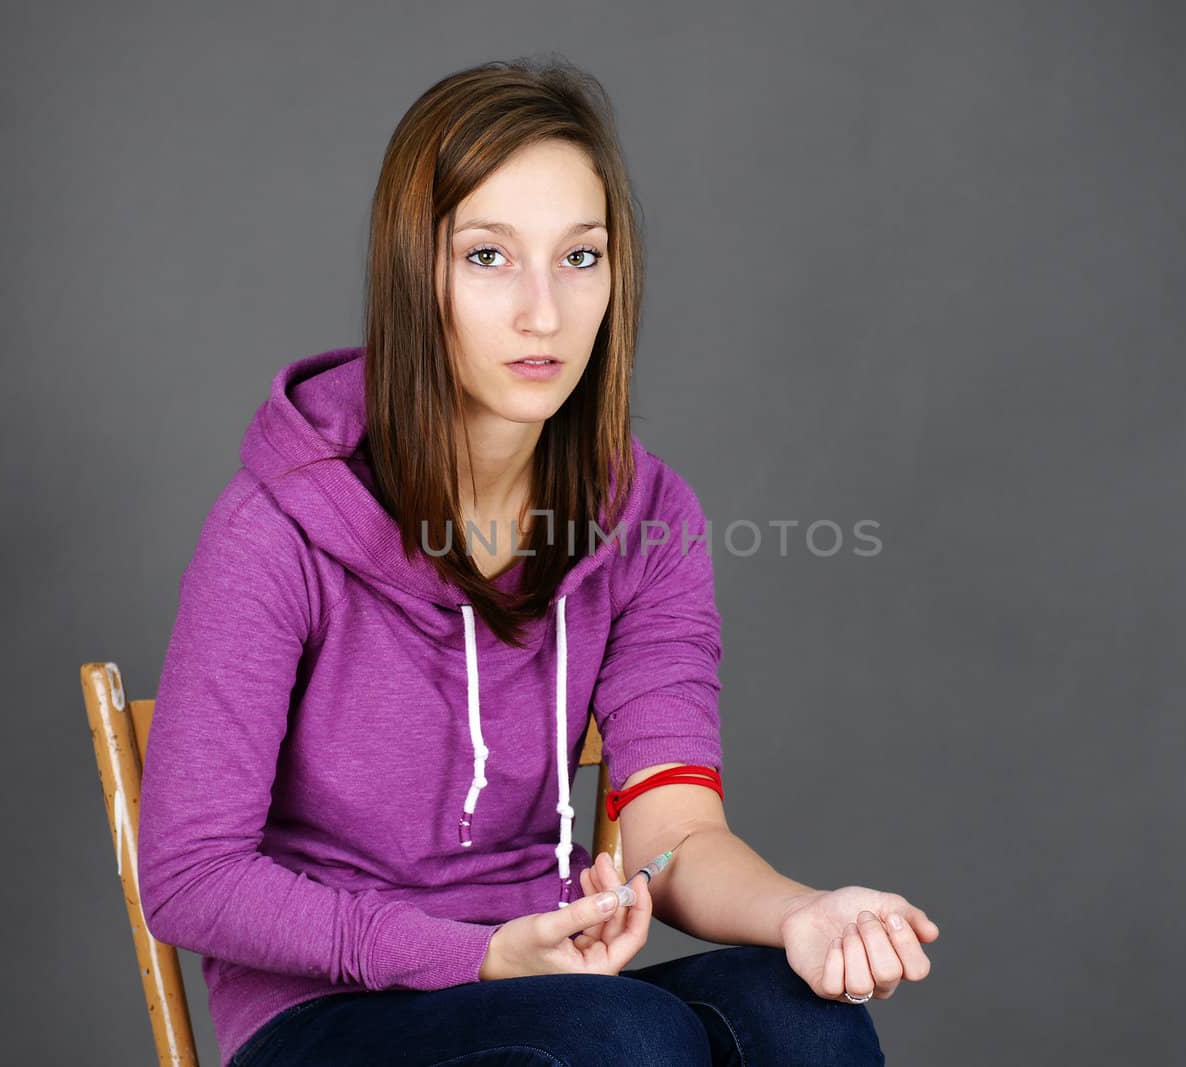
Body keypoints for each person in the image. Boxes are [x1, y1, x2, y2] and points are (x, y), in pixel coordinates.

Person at [137, 56, 937, 1067]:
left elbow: (671, 833)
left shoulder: (648, 518)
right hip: (326, 1013)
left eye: (578, 257)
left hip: (551, 990)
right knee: (620, 1032)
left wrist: (806, 910)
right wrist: (474, 955)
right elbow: (190, 875)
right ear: (413, 273)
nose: (542, 312)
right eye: (487, 256)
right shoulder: (275, 525)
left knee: (801, 1013)